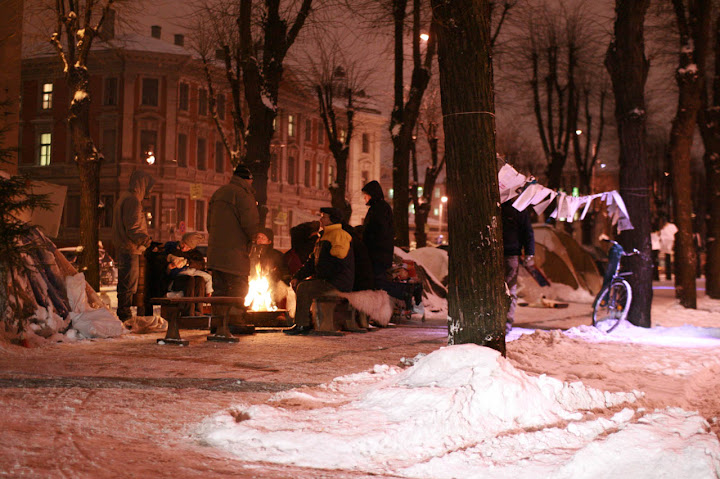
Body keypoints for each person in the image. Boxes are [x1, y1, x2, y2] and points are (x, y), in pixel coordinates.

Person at [284, 207, 355, 335]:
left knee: (304, 288)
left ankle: (302, 324)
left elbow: (340, 259)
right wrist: (297, 276)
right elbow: (312, 262)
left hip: (337, 282)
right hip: (327, 279)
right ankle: (305, 321)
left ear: (332, 219)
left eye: (324, 217)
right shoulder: (324, 236)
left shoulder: (338, 235)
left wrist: (324, 275)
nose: (321, 219)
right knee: (301, 285)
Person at [207, 164, 259, 300]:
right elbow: (250, 225)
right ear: (249, 180)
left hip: (216, 257)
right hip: (235, 257)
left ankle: (218, 320)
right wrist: (256, 237)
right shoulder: (244, 196)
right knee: (238, 293)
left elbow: (209, 225)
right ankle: (234, 321)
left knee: (219, 293)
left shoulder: (218, 193)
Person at [112, 170, 155, 323]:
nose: (149, 191)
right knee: (129, 284)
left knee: (126, 283)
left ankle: (124, 314)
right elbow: (134, 228)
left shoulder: (124, 198)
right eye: (148, 187)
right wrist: (147, 242)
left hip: (125, 247)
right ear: (142, 185)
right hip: (130, 248)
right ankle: (125, 317)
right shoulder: (133, 201)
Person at [501, 199, 535, 333]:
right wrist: (529, 253)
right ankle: (506, 324)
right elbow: (528, 232)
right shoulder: (520, 208)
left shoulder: (495, 206)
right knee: (510, 290)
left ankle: (500, 322)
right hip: (512, 254)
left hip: (502, 253)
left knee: (503, 289)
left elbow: (527, 232)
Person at [164, 232, 212, 316]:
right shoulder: (172, 249)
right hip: (176, 281)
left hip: (191, 279)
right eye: (184, 244)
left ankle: (198, 312)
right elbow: (164, 262)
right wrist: (170, 267)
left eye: (188, 246)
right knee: (190, 280)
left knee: (200, 280)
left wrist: (188, 263)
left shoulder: (196, 254)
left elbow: (200, 265)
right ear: (182, 241)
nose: (185, 247)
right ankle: (188, 313)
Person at [361, 180, 394, 287]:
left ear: (371, 194)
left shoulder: (378, 209)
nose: (364, 198)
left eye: (365, 195)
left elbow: (376, 230)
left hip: (377, 255)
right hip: (380, 254)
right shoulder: (381, 207)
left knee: (378, 283)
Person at [658, 216, 678, 280]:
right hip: (665, 244)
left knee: (668, 258)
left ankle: (668, 274)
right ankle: (668, 274)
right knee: (667, 258)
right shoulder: (663, 227)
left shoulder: (667, 226)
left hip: (667, 244)